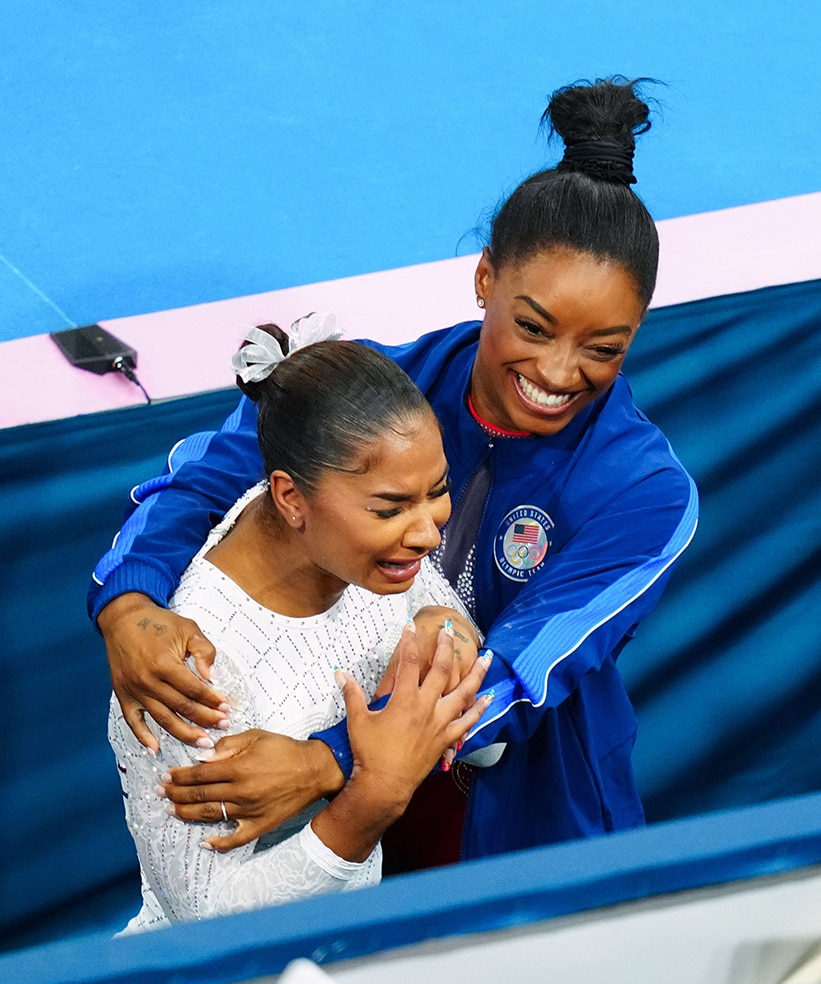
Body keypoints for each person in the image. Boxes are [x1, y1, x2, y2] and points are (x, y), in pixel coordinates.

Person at [92, 77, 698, 864]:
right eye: (532, 326)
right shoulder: (363, 388)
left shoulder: (645, 496)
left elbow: (514, 672)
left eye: (604, 348)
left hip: (521, 832)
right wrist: (128, 603)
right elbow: (201, 484)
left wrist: (326, 760)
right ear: (486, 278)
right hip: (341, 826)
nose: (557, 372)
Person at [108, 326, 492, 930]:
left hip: (357, 949)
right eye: (390, 508)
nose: (428, 532)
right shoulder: (193, 668)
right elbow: (209, 925)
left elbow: (487, 733)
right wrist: (373, 797)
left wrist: (447, 638)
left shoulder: (368, 557)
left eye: (438, 492)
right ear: (289, 497)